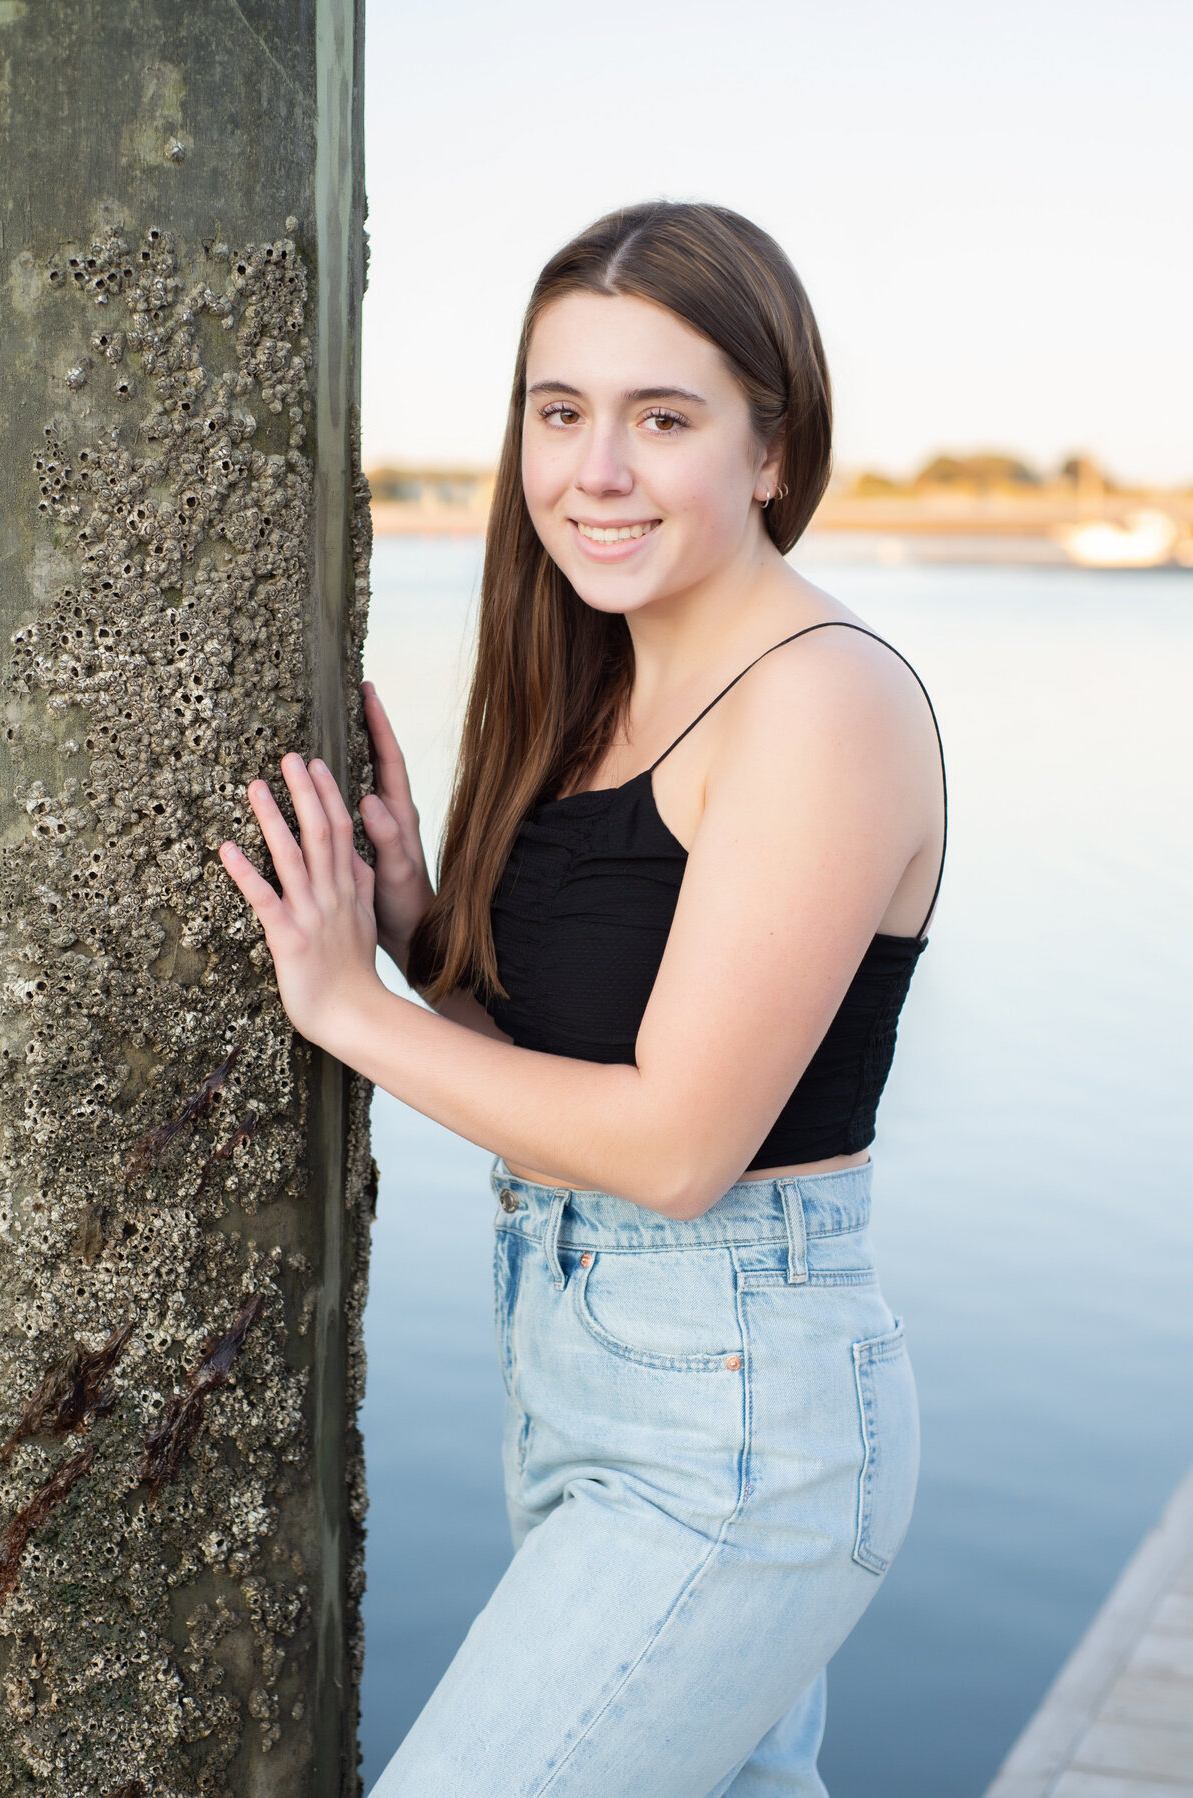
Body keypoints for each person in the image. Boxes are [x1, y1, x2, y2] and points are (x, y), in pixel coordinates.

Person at [219, 198, 947, 1797]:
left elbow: (679, 1147)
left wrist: (355, 1010)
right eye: (560, 413)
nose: (593, 470)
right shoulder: (604, 685)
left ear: (771, 448)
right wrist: (413, 928)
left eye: (661, 418)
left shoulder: (822, 700)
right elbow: (569, 1078)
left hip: (741, 1432)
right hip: (589, 1383)